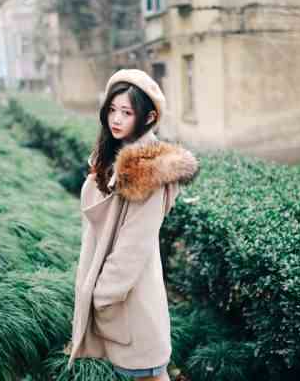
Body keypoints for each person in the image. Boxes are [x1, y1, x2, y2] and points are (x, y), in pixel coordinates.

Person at [66, 68, 200, 380]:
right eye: (112, 109)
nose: (116, 119)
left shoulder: (148, 171)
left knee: (150, 375)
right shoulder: (113, 156)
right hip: (118, 297)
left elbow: (134, 245)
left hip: (131, 298)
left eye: (126, 113)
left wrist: (103, 297)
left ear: (149, 117)